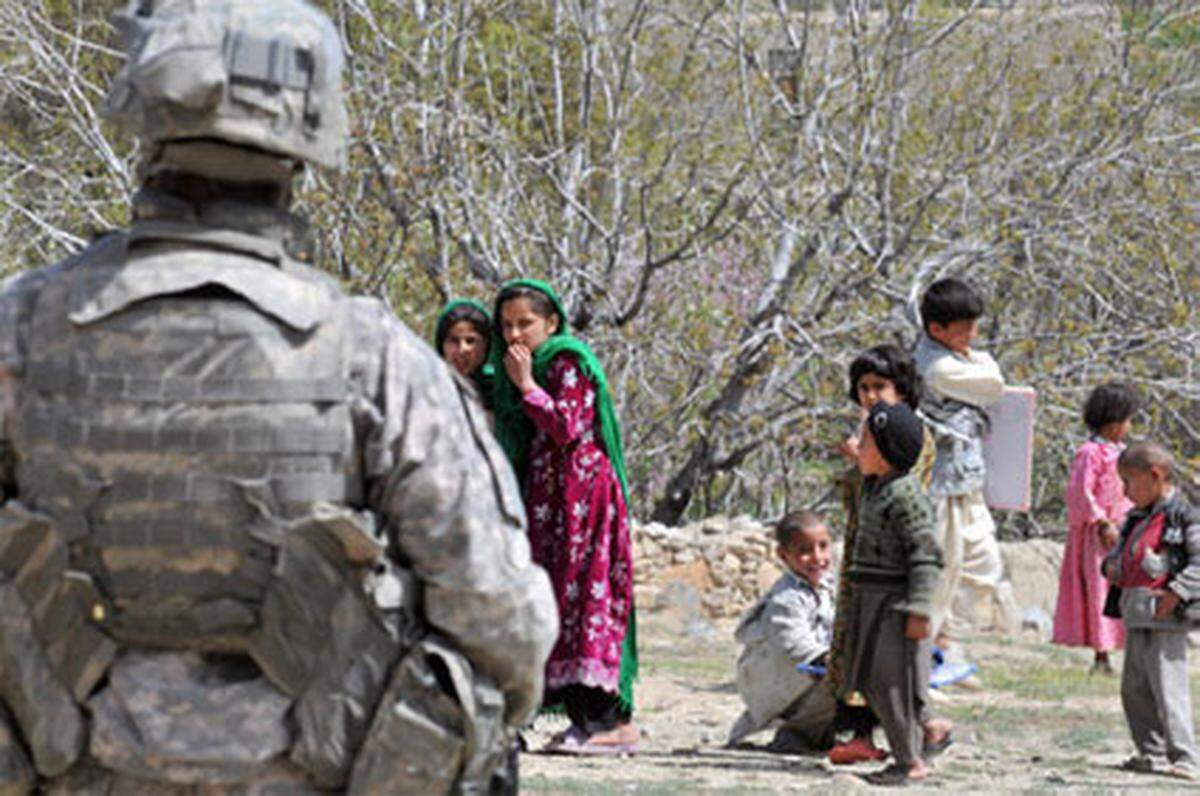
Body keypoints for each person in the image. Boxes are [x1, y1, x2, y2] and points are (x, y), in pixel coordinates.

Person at [0, 1, 557, 792]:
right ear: (308, 133)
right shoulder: (372, 357)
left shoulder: (20, 330)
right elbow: (501, 620)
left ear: (147, 114)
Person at [491, 279, 638, 754]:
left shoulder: (566, 361)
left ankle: (605, 721)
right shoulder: (530, 366)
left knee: (586, 599)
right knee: (558, 601)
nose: (515, 335)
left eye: (525, 324)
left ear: (550, 323)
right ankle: (583, 717)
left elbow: (566, 426)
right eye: (507, 326)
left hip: (584, 506)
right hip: (553, 508)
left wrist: (528, 386)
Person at [829, 345, 949, 765]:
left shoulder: (909, 435)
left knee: (890, 661)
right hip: (864, 560)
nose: (870, 396)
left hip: (892, 566)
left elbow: (907, 493)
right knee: (856, 649)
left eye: (879, 386)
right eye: (863, 387)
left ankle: (913, 732)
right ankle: (863, 731)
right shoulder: (867, 432)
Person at [913, 278, 1019, 650]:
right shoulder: (938, 368)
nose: (973, 336)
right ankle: (925, 654)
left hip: (963, 479)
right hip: (938, 484)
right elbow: (993, 385)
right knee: (940, 568)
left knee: (979, 560)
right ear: (936, 329)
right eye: (964, 329)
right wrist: (985, 367)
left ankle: (944, 645)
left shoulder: (954, 357)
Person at [1102, 442, 1200, 780]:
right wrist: (1111, 566)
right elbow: (1119, 554)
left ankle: (1185, 756)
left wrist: (1178, 591)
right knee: (1135, 687)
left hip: (1166, 616)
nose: (1126, 493)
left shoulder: (1185, 516)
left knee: (1168, 688)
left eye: (1128, 483)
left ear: (1154, 476)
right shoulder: (1136, 518)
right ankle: (1151, 752)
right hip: (1136, 612)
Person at [727, 511, 838, 752]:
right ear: (783, 555)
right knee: (841, 679)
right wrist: (830, 659)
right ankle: (797, 731)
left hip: (806, 681)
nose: (817, 557)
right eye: (804, 550)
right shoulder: (786, 598)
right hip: (786, 685)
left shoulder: (828, 588)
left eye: (823, 546)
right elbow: (794, 643)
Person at [1052, 382, 1139, 674]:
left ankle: (1125, 649)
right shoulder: (1090, 453)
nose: (1128, 425)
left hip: (1124, 530)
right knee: (1100, 589)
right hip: (1098, 535)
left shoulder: (1123, 452)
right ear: (1113, 420)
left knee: (1124, 588)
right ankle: (1102, 655)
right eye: (1126, 419)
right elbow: (1081, 492)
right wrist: (1102, 522)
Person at [434, 298, 496, 406]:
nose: (462, 349)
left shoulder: (501, 391)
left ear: (486, 345)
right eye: (454, 340)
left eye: (470, 341)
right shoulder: (428, 389)